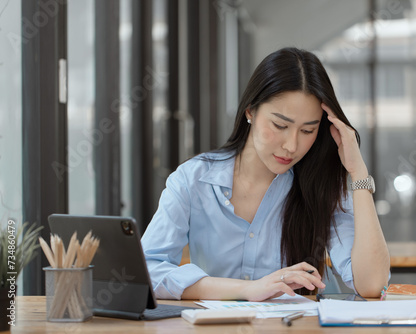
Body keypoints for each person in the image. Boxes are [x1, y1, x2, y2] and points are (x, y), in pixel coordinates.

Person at [141, 47, 390, 301]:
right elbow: (147, 270)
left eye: (307, 131)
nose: (291, 146)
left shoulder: (320, 185)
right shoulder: (194, 180)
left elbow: (371, 285)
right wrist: (248, 289)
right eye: (280, 125)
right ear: (251, 111)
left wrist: (358, 171)